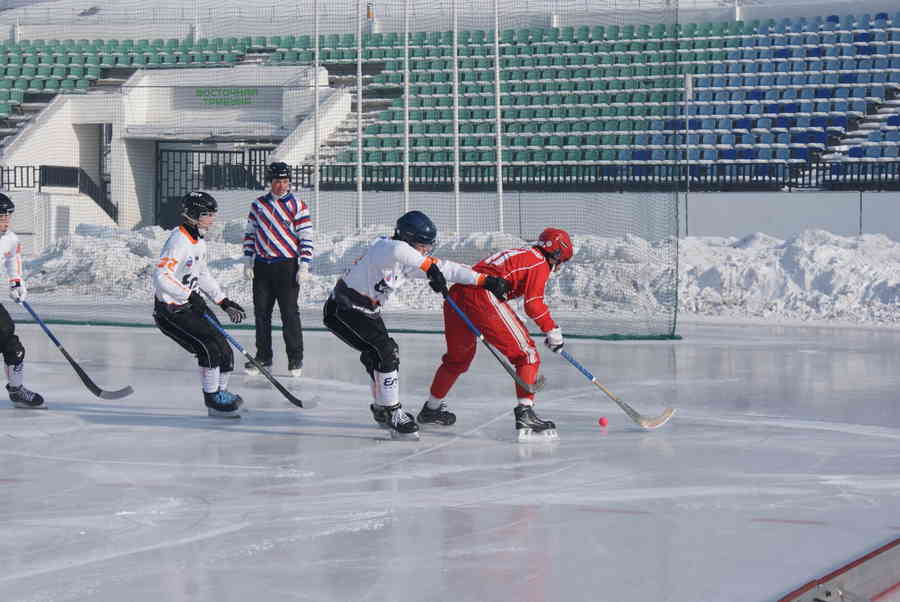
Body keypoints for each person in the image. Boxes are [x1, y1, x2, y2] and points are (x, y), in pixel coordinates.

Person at [323, 210, 510, 440]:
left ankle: (383, 408)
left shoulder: (409, 260)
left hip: (368, 313)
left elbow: (449, 268)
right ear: (408, 238)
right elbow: (401, 251)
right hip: (343, 310)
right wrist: (429, 268)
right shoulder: (385, 248)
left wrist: (485, 280)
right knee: (386, 351)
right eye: (423, 245)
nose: (426, 251)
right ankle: (393, 412)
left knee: (381, 357)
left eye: (429, 247)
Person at [424, 228, 574, 441]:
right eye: (561, 262)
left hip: (458, 294)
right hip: (481, 296)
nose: (558, 267)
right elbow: (533, 304)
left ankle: (432, 408)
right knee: (527, 354)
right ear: (557, 255)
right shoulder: (538, 262)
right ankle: (526, 414)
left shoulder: (525, 254)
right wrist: (553, 331)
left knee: (457, 361)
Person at [153, 191, 248, 418]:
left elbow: (202, 274)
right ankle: (212, 399)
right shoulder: (178, 241)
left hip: (191, 304)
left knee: (224, 348)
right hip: (172, 311)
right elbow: (161, 276)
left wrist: (222, 301)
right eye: (208, 214)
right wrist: (188, 295)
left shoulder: (198, 241)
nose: (212, 219)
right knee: (209, 346)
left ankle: (220, 394)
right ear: (194, 214)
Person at [242, 161, 312, 378]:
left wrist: (304, 264)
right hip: (263, 266)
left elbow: (306, 236)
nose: (281, 186)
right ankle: (263, 355)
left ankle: (295, 357)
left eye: (284, 181)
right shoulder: (258, 205)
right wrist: (247, 260)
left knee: (289, 313)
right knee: (261, 313)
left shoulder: (297, 205)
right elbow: (250, 234)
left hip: (287, 266)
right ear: (270, 182)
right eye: (277, 181)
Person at [0, 194, 43, 408]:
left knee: (12, 344)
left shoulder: (9, 238)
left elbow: (12, 258)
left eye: (8, 216)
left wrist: (16, 281)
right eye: (1, 216)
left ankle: (17, 391)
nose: (6, 221)